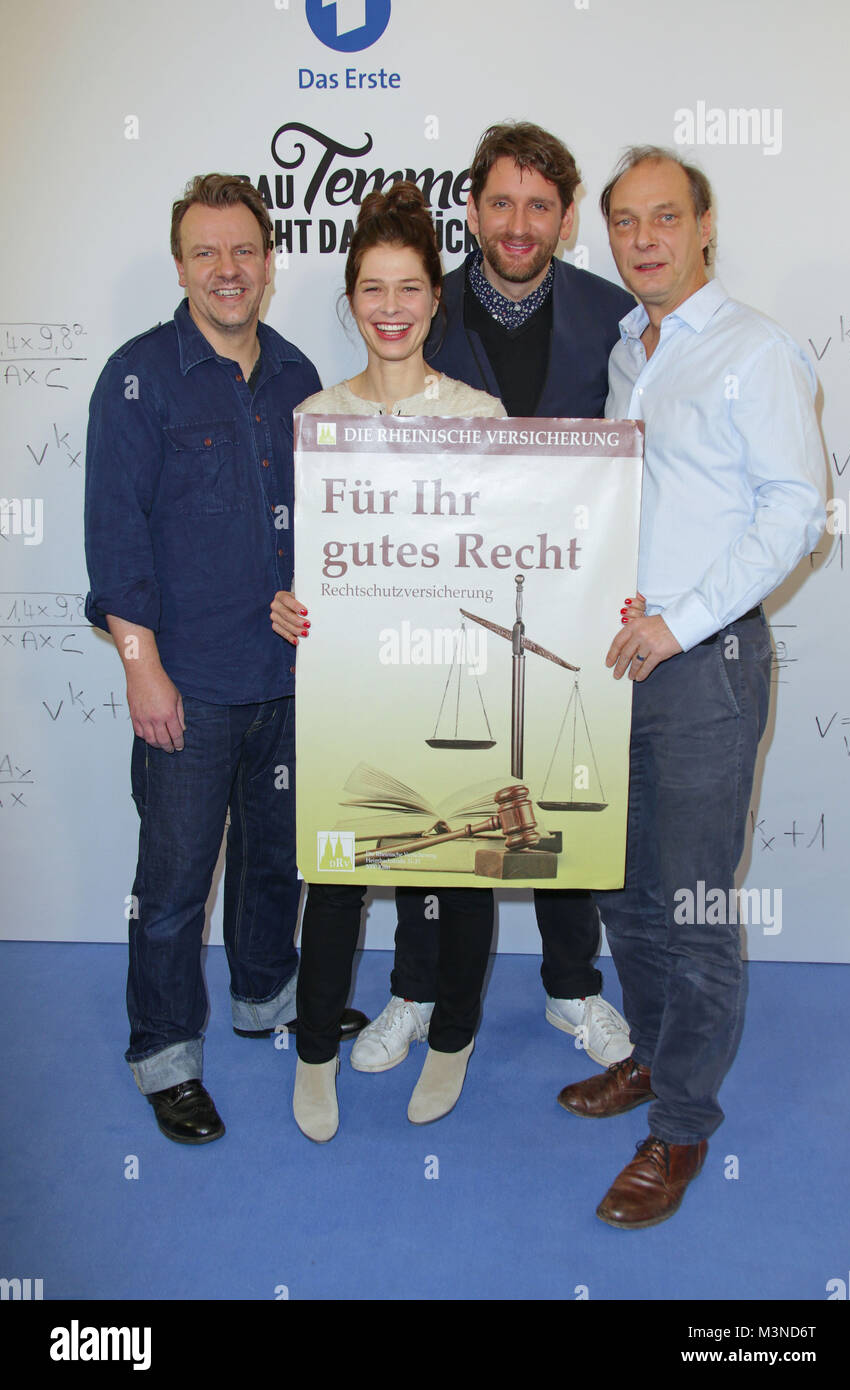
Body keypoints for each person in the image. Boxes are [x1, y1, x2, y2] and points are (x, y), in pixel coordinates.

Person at [557, 147, 826, 1227]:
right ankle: (656, 1061)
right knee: (623, 889)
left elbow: (792, 510)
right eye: (624, 223)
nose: (643, 239)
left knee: (696, 904)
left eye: (664, 218)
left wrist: (679, 620)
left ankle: (678, 1128)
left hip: (702, 667)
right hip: (620, 661)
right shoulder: (629, 347)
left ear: (704, 225)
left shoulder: (754, 350)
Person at [350, 122, 637, 1078]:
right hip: (441, 597)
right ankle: (415, 988)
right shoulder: (423, 308)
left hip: (568, 594)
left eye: (540, 206)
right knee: (444, 795)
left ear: (563, 217)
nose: (519, 224)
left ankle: (572, 988)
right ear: (471, 209)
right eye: (501, 202)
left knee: (558, 797)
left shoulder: (611, 315)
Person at [84, 173, 364, 1146]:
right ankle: (164, 1054)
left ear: (269, 260)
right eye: (205, 253)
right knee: (170, 884)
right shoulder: (135, 378)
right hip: (187, 690)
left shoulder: (295, 377)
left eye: (242, 249)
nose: (226, 270)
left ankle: (265, 998)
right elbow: (114, 542)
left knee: (272, 864)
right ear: (179, 266)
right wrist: (140, 666)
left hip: (287, 683)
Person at [270, 182, 508, 1142]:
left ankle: (452, 1039)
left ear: (435, 297)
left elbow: (520, 554)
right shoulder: (315, 416)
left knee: (459, 870)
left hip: (454, 682)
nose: (392, 308)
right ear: (351, 297)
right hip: (354, 690)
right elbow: (306, 560)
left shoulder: (482, 415)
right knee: (334, 878)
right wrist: (287, 603)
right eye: (374, 288)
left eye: (410, 287)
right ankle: (315, 1055)